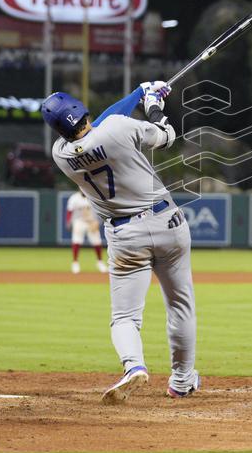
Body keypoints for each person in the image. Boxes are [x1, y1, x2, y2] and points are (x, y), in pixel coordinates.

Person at [42, 83, 200, 404]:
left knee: (125, 317)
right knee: (180, 306)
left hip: (125, 236)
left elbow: (100, 127)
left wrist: (137, 93)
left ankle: (134, 365)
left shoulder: (60, 154)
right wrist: (153, 104)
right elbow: (166, 135)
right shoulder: (117, 128)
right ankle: (182, 381)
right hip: (167, 222)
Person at [66, 190, 106, 274]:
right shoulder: (74, 198)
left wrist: (98, 222)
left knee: (97, 242)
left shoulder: (94, 195)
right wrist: (68, 221)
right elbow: (70, 211)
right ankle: (75, 262)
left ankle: (100, 262)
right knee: (76, 241)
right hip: (79, 221)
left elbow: (101, 210)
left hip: (91, 221)